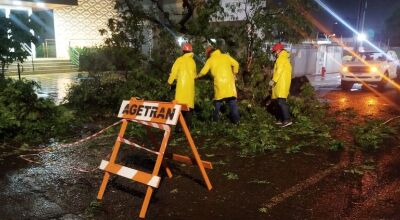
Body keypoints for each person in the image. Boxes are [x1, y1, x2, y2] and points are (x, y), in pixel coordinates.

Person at [197, 46, 240, 124]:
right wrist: (234, 74)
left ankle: (215, 121)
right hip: (230, 84)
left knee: (217, 102)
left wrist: (196, 76)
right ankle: (237, 122)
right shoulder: (226, 56)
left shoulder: (210, 60)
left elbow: (203, 72)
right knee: (232, 102)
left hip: (220, 84)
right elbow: (236, 64)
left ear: (208, 53)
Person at [168, 43, 196, 129]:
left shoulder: (179, 60)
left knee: (179, 107)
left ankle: (178, 128)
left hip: (181, 87)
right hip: (190, 88)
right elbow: (195, 76)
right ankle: (187, 127)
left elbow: (174, 72)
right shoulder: (193, 62)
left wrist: (169, 82)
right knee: (189, 107)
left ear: (183, 51)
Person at [269, 42, 292, 127]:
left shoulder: (281, 58)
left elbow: (279, 71)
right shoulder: (283, 57)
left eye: (274, 52)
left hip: (281, 83)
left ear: (278, 50)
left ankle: (287, 119)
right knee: (278, 102)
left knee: (281, 102)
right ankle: (280, 119)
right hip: (280, 83)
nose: (274, 53)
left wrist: (273, 81)